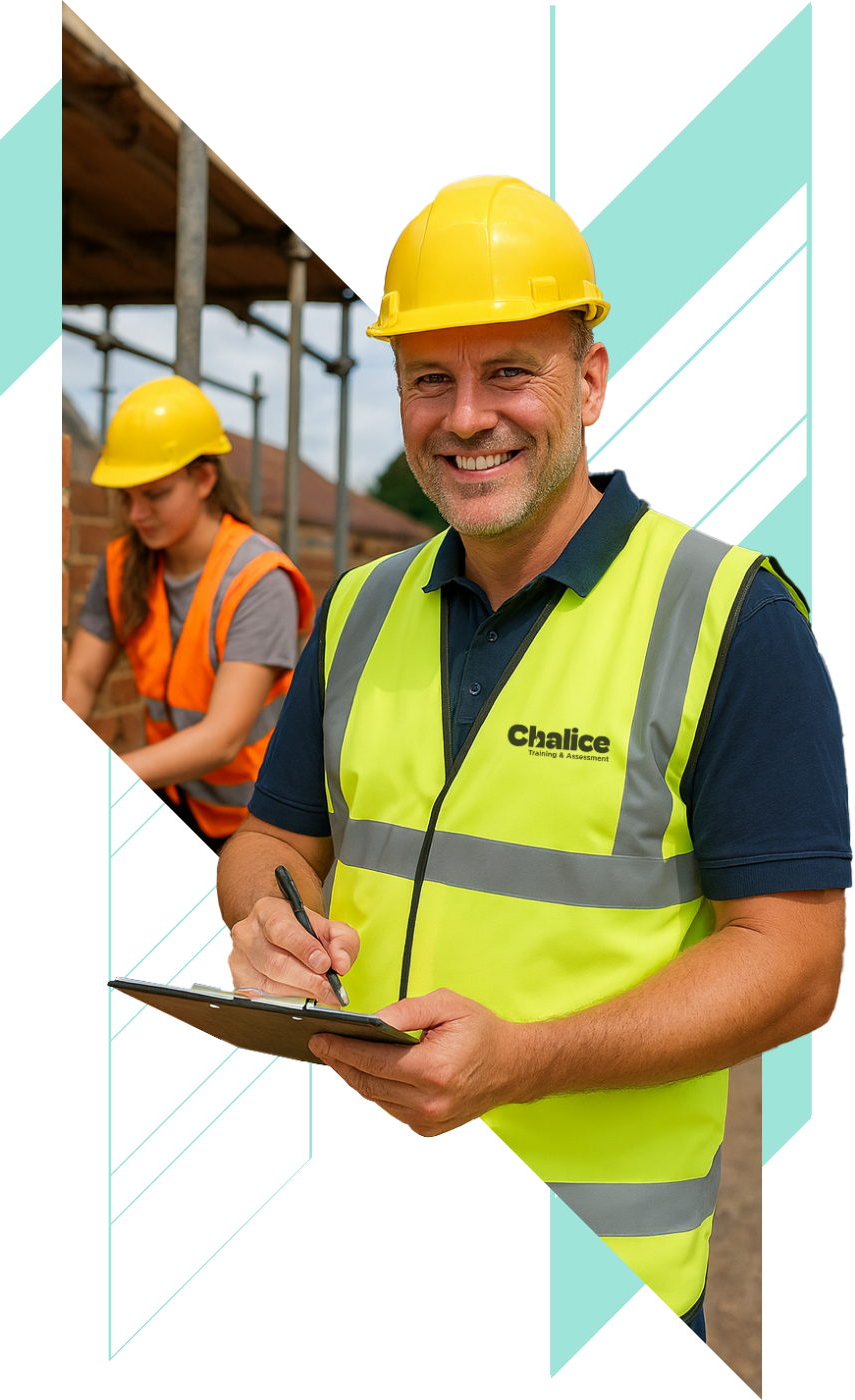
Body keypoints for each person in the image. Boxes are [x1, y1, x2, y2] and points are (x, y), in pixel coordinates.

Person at [215, 176, 849, 1393]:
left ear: (591, 381)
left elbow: (798, 958)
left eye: (510, 370)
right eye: (428, 380)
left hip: (595, 1295)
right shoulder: (358, 609)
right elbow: (271, 840)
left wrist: (532, 1055)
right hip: (367, 1237)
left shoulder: (727, 615)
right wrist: (267, 921)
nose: (467, 419)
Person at [65, 375, 314, 939]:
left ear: (204, 478)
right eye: (127, 497)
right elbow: (79, 681)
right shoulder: (126, 561)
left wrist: (122, 772)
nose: (136, 514)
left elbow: (225, 735)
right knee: (112, 944)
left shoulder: (257, 579)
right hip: (179, 799)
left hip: (260, 824)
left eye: (154, 495)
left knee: (226, 982)